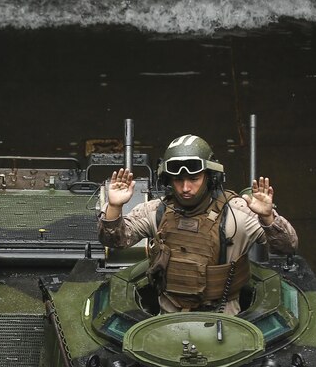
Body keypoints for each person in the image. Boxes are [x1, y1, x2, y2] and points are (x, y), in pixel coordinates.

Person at [98, 134, 298, 315]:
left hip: (225, 318)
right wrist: (114, 207)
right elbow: (115, 242)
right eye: (178, 180)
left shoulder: (238, 213)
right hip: (168, 317)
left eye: (194, 179)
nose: (186, 188)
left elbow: (288, 246)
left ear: (211, 178)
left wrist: (267, 217)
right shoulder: (155, 211)